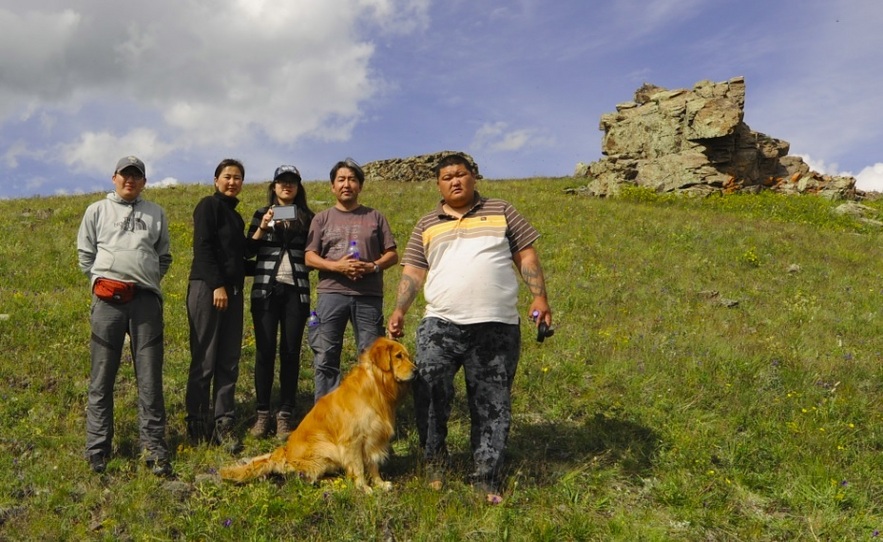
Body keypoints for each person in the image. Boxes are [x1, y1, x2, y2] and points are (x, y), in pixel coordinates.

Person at [387, 152, 552, 503]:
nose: (455, 181)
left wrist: (539, 298)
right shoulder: (426, 223)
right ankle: (434, 463)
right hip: (440, 324)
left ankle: (486, 477)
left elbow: (527, 256)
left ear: (474, 177)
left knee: (491, 402)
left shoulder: (502, 210)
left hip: (496, 325)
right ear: (438, 184)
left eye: (461, 174)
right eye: (447, 177)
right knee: (429, 393)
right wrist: (400, 309)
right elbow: (414, 272)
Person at [76, 155, 173, 477]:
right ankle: (97, 449)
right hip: (107, 302)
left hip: (145, 302)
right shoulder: (96, 210)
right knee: (102, 378)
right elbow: (85, 254)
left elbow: (164, 256)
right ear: (114, 177)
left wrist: (147, 281)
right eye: (125, 175)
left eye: (137, 176)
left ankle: (154, 449)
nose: (130, 180)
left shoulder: (156, 212)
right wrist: (99, 280)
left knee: (150, 378)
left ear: (144, 181)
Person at [305, 158, 398, 400]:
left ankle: (369, 413)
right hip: (330, 294)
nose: (347, 184)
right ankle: (326, 415)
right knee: (325, 355)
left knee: (372, 358)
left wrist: (371, 266)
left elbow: (392, 254)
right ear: (332, 186)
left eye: (352, 180)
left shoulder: (375, 217)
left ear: (360, 186)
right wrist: (337, 266)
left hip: (368, 297)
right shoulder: (321, 219)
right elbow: (310, 257)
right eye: (341, 179)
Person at [184, 158, 250, 452]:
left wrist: (260, 231)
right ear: (215, 180)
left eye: (237, 178)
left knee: (228, 359)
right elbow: (203, 247)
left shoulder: (236, 218)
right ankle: (197, 422)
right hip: (208, 289)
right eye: (227, 176)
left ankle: (224, 421)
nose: (232, 181)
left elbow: (241, 255)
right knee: (205, 357)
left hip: (233, 293)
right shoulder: (207, 206)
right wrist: (217, 285)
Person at [245, 165, 315, 440]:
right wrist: (263, 227)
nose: (287, 186)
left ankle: (285, 414)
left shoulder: (309, 218)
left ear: (298, 187)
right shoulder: (261, 214)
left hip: (296, 292)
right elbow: (249, 250)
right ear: (273, 186)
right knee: (264, 352)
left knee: (290, 352)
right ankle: (262, 413)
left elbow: (314, 254)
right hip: (264, 290)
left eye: (292, 182)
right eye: (282, 182)